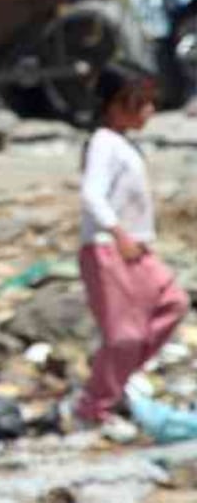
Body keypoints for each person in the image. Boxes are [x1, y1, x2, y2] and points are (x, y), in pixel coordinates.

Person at [73, 63, 189, 429]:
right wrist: (119, 232)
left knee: (174, 302)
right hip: (108, 247)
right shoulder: (104, 143)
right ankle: (93, 407)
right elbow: (91, 194)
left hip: (135, 248)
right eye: (140, 103)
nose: (149, 111)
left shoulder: (123, 144)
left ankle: (113, 381)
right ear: (115, 104)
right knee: (123, 337)